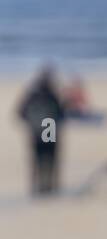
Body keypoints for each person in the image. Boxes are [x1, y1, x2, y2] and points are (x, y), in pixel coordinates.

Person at [15, 66, 65, 196]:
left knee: (37, 160)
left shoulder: (31, 95)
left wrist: (31, 124)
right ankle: (51, 187)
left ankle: (37, 187)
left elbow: (20, 113)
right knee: (51, 159)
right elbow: (61, 114)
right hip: (50, 129)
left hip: (36, 131)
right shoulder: (52, 95)